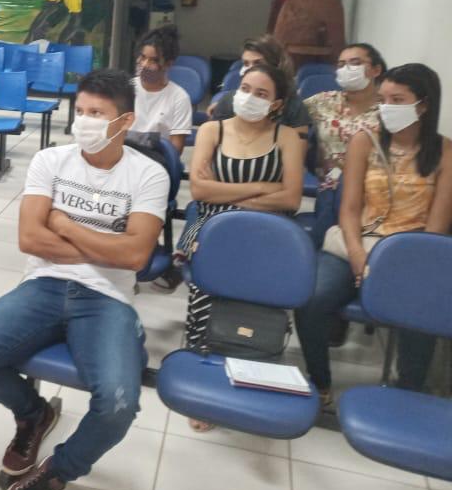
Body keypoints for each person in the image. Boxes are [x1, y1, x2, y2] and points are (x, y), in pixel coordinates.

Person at [0, 69, 168, 490]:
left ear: (125, 121)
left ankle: (58, 470)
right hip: (44, 284)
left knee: (118, 405)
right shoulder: (51, 160)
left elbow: (135, 257)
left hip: (107, 299)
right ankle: (34, 414)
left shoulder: (149, 174)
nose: (84, 121)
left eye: (97, 114)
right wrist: (107, 247)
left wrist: (65, 225)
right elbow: (30, 239)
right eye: (81, 110)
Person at [295, 63, 452, 404]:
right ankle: (320, 383)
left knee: (420, 311)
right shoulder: (364, 142)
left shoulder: (445, 153)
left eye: (398, 100)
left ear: (423, 105)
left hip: (411, 254)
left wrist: (390, 267)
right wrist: (357, 257)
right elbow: (349, 209)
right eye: (383, 99)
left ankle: (407, 395)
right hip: (356, 243)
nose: (386, 107)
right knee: (310, 299)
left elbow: (436, 230)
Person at [179, 63, 303, 431]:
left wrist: (228, 195)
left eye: (261, 93)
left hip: (267, 232)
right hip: (212, 226)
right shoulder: (212, 130)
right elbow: (199, 191)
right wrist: (264, 187)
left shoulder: (287, 137)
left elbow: (292, 198)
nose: (249, 97)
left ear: (277, 103)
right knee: (209, 277)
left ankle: (250, 369)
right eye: (245, 89)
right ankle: (202, 380)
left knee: (254, 300)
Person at [302, 43, 385, 247]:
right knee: (334, 195)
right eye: (341, 64)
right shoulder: (324, 102)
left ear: (376, 70)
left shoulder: (389, 108)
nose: (347, 69)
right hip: (332, 187)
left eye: (355, 63)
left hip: (374, 188)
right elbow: (286, 109)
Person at [210, 34, 311, 136]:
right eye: (246, 63)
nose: (250, 69)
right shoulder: (229, 100)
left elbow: (299, 142)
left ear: (276, 65)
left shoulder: (294, 106)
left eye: (258, 63)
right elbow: (214, 138)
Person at [130, 25, 193, 152]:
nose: (145, 64)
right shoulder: (124, 88)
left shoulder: (179, 98)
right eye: (143, 57)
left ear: (168, 64)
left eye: (153, 60)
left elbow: (175, 151)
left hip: (156, 159)